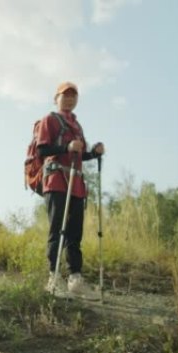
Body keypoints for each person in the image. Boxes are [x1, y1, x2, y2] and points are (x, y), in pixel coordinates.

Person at [35, 81, 104, 294]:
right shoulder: (50, 120)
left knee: (75, 234)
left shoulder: (77, 125)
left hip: (76, 184)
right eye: (65, 95)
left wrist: (94, 153)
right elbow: (43, 150)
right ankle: (53, 279)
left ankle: (75, 279)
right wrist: (66, 147)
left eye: (73, 95)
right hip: (56, 180)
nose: (70, 99)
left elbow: (79, 155)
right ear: (56, 99)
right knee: (57, 230)